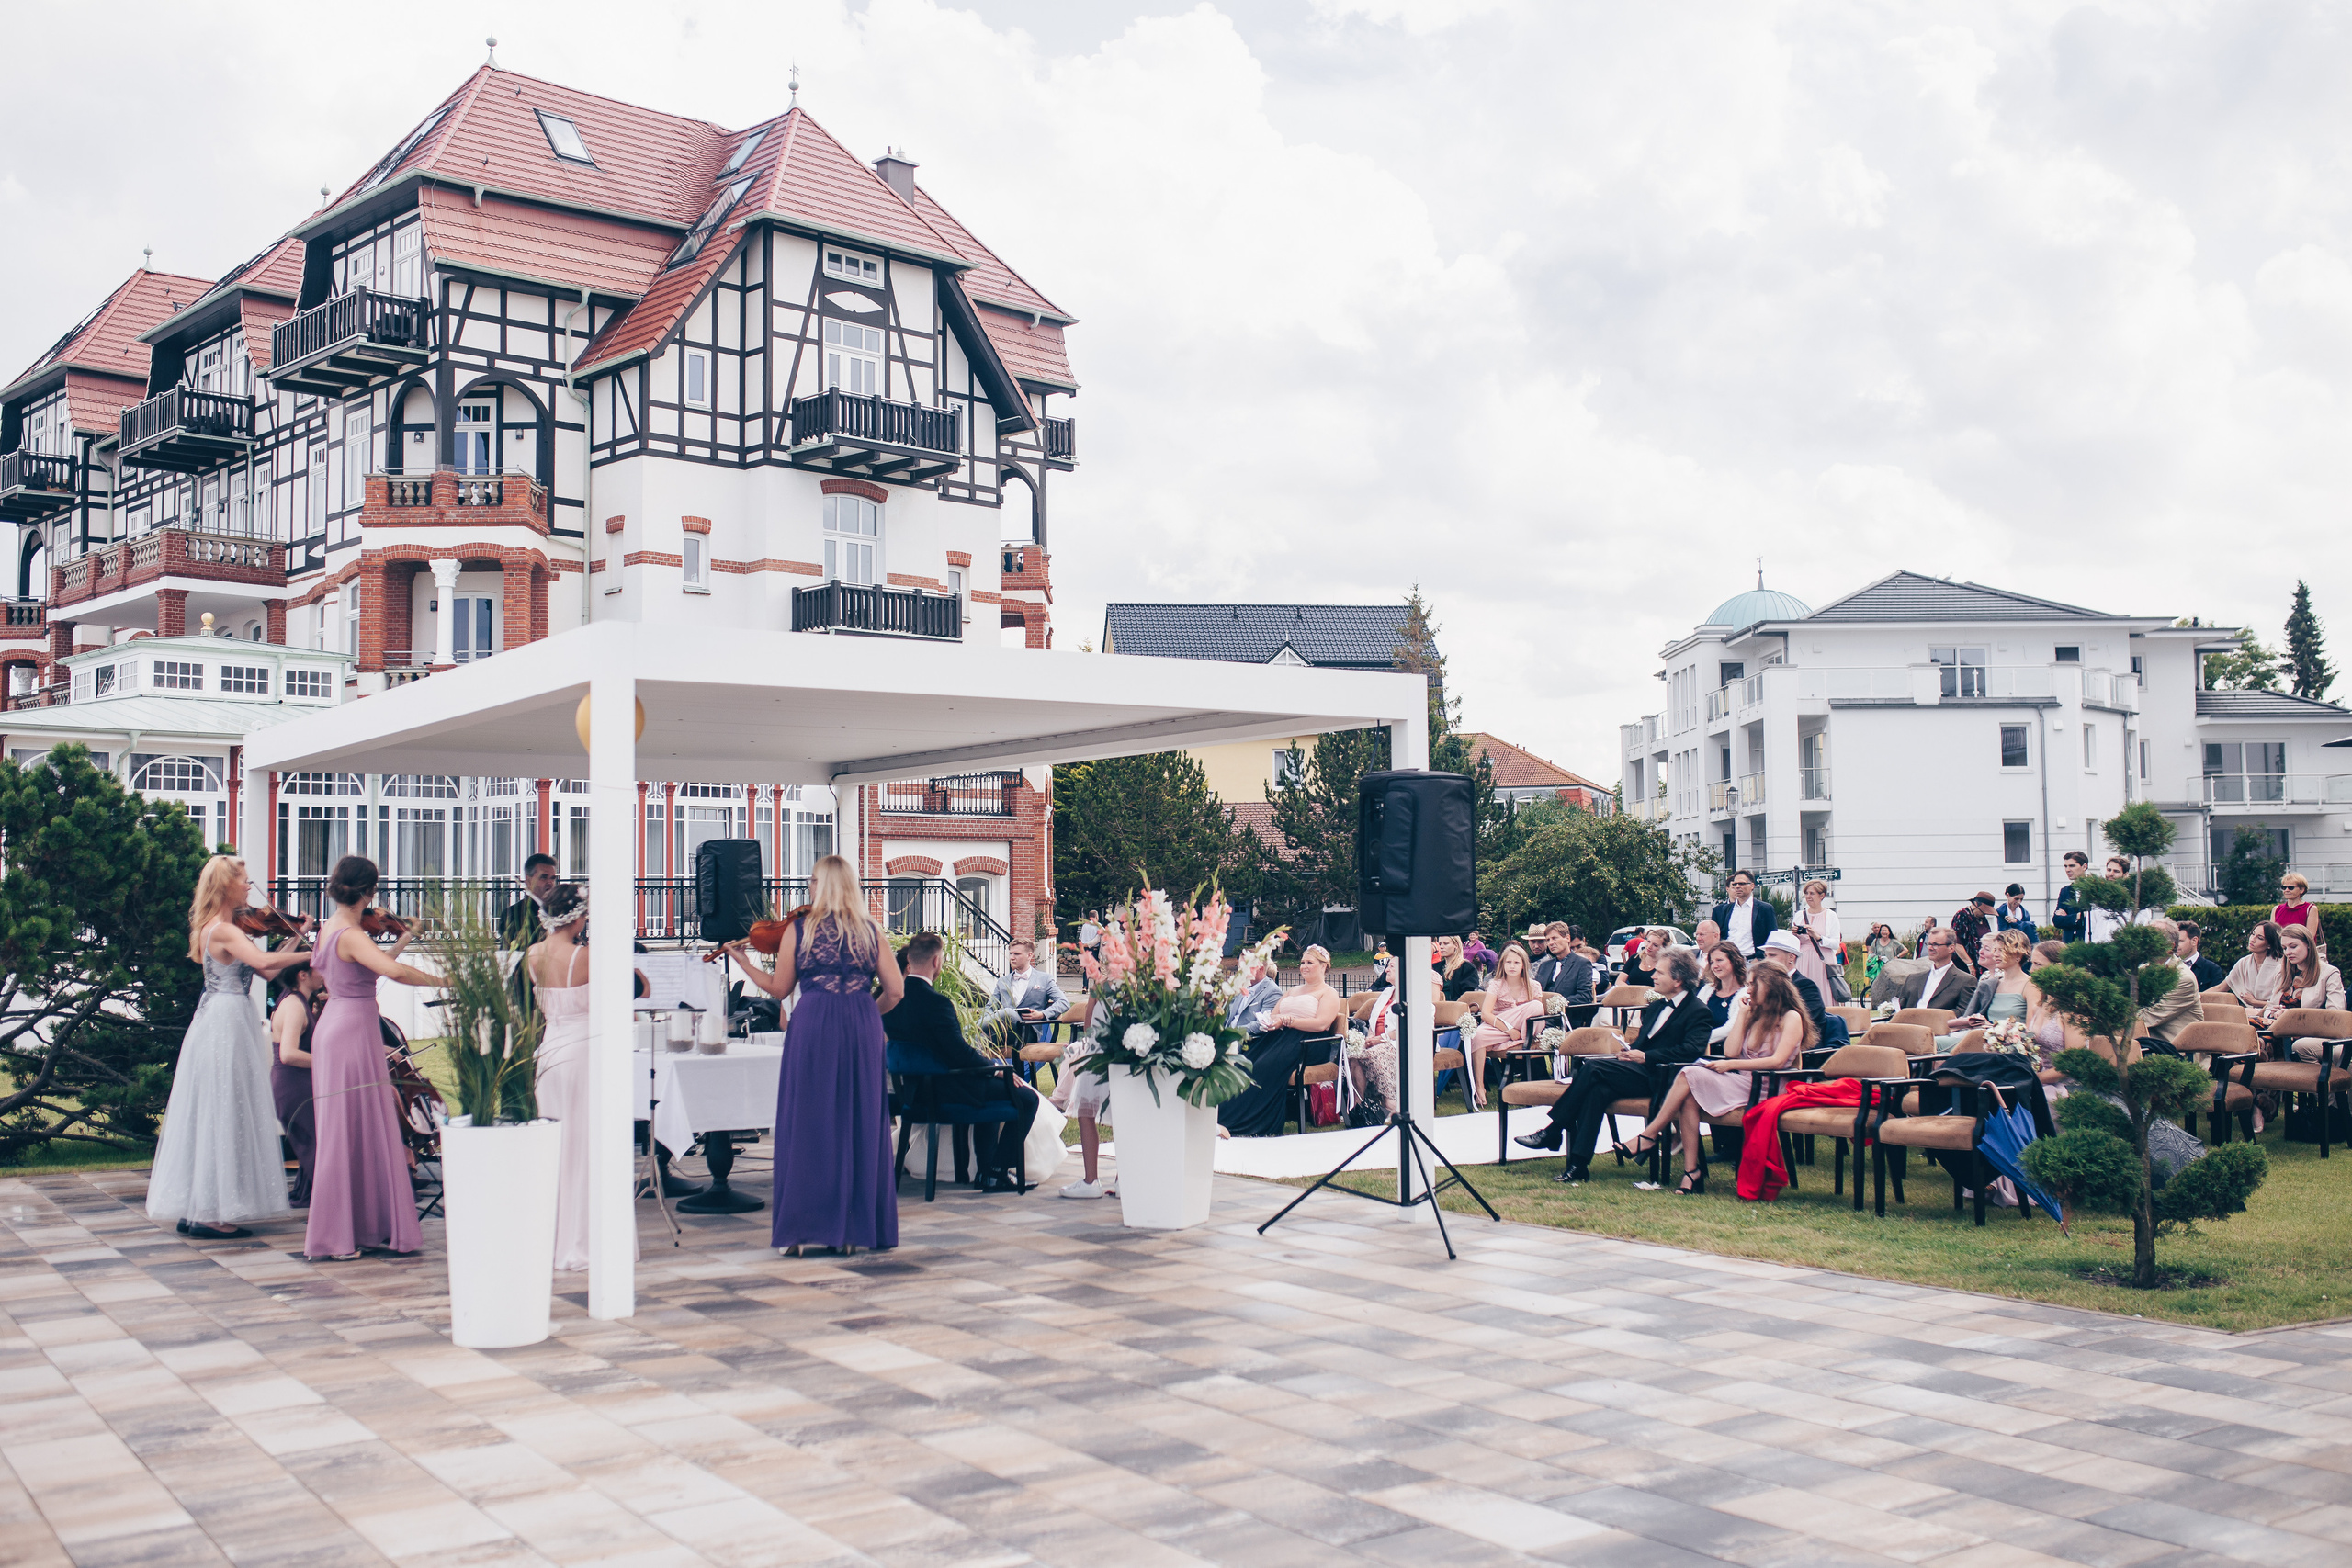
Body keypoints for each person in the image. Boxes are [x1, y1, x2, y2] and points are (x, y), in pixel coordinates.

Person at [726, 853, 906, 1254]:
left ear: (822, 885)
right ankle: (852, 1231)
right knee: (858, 1120)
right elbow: (896, 991)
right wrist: (866, 1014)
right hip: (860, 1024)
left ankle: (802, 1231)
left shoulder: (800, 929)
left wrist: (742, 963)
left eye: (812, 881)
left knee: (809, 1120)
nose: (808, 887)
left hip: (813, 1025)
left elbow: (778, 989)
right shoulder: (872, 930)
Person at [148, 855, 312, 1240]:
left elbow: (268, 971)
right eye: (243, 881)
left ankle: (200, 1208)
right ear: (225, 885)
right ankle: (210, 1213)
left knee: (218, 1110)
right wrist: (313, 953)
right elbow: (262, 958)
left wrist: (297, 937)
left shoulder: (223, 928)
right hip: (226, 1020)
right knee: (223, 1109)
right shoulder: (223, 930)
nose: (248, 886)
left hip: (227, 1016)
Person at [304, 856, 438, 1262]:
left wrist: (405, 939)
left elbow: (371, 971)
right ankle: (338, 1235)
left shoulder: (333, 927)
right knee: (348, 1129)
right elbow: (392, 973)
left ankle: (360, 1227)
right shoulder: (350, 932)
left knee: (356, 1128)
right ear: (368, 891)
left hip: (342, 1026)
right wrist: (445, 980)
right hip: (350, 1031)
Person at [1512, 945, 1712, 1182]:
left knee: (1593, 1067)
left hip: (1667, 1079)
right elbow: (1643, 1042)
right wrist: (1630, 1052)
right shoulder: (1658, 1006)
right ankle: (1578, 1165)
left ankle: (1553, 1130)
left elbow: (1691, 1051)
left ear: (1677, 980)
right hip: (1640, 1072)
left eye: (1659, 972)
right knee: (1597, 1090)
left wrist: (1646, 1057)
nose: (1653, 976)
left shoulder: (1698, 1011)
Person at [1622, 965, 1812, 1195]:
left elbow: (1778, 1062)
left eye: (1753, 984)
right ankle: (1691, 1171)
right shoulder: (1753, 1013)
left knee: (1689, 1073)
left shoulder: (1791, 1017)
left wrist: (1731, 1065)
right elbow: (1731, 1051)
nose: (1748, 990)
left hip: (1768, 1086)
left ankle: (1649, 1135)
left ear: (1770, 986)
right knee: (1689, 1097)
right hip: (1742, 1081)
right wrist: (1742, 1016)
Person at [527, 885, 636, 1272]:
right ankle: (584, 1239)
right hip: (583, 1053)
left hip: (549, 1054)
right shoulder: (585, 958)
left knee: (558, 1146)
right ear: (576, 917)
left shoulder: (531, 955)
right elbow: (620, 1000)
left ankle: (554, 1236)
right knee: (587, 1145)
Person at [886, 931, 1040, 1191]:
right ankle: (996, 1170)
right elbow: (959, 1053)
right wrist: (994, 1068)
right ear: (936, 962)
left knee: (993, 1088)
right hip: (944, 1089)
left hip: (911, 1092)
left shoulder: (890, 1000)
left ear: (909, 961)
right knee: (1026, 1097)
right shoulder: (937, 1003)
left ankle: (987, 1170)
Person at [1217, 945, 1347, 1136]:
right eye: (1302, 962)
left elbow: (1321, 1024)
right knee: (1243, 1060)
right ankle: (1223, 1117)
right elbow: (1274, 1015)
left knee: (1263, 1066)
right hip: (1280, 1037)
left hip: (1308, 1042)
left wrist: (1290, 1021)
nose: (1304, 966)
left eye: (1310, 962)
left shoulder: (1328, 993)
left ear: (1323, 967)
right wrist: (1271, 1023)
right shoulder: (1292, 990)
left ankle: (1249, 1123)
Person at [268, 965, 328, 1210]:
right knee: (318, 1145)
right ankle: (331, 1205)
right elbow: (289, 1054)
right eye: (319, 970)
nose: (324, 973)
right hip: (293, 1086)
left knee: (318, 1142)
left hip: (300, 1083)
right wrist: (330, 1063)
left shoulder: (300, 1001)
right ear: (302, 975)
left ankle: (310, 1196)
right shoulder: (293, 1006)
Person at [1464, 942, 1546, 1111]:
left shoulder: (1533, 985)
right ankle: (1479, 1087)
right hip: (1501, 1025)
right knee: (1478, 1035)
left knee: (1536, 1007)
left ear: (1523, 965)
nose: (1512, 966)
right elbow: (1486, 1014)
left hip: (1526, 1028)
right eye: (1508, 962)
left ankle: (1515, 1040)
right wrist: (1509, 1029)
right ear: (1502, 964)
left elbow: (1537, 1016)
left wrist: (1518, 1028)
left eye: (1516, 962)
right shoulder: (1496, 984)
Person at [2261, 926, 2346, 1041]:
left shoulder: (2329, 973)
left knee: (2255, 1042)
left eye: (2293, 947)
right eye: (2284, 948)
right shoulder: (2281, 971)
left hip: (2307, 1032)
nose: (2288, 952)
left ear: (2309, 945)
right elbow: (2270, 1006)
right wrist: (2272, 1014)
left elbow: (2335, 1015)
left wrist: (2292, 1016)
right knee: (2247, 1030)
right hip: (2276, 1028)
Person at [2134, 917, 2205, 1049]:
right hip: (2144, 1045)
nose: (2145, 944)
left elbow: (2149, 1016)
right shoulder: (2142, 971)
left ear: (2169, 947)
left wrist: (2115, 1019)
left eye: (2152, 939)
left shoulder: (2184, 979)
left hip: (2176, 1052)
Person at [984, 940, 1069, 1046]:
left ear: (1029, 956)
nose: (1012, 957)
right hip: (1004, 1033)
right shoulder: (1003, 981)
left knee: (1009, 1012)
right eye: (1011, 953)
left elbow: (1063, 1002)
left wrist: (1042, 1014)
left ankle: (971, 1029)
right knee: (977, 1040)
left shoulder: (1044, 979)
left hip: (1028, 1032)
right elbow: (989, 1008)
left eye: (1017, 954)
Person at [1534, 922, 1597, 1026]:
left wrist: (1556, 1003)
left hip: (1567, 1018)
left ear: (1567, 938)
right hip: (1540, 1017)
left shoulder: (1582, 964)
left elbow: (1585, 997)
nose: (1550, 943)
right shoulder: (1545, 966)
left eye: (1554, 938)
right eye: (1548, 940)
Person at [1897, 927, 1973, 1012]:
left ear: (1951, 948)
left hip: (1940, 1024)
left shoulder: (1965, 981)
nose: (1930, 948)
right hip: (1908, 1023)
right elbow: (1901, 1007)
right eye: (1929, 944)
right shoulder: (1913, 978)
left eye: (1936, 944)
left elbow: (1964, 1012)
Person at [1790, 879, 1842, 997]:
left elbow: (1836, 943)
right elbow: (1793, 944)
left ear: (1822, 895)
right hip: (1803, 959)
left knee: (1823, 992)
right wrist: (1794, 935)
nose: (1808, 897)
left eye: (1812, 893)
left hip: (1822, 959)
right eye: (1806, 893)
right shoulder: (1799, 915)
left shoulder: (1830, 916)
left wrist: (1818, 937)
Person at [1711, 870, 1775, 958]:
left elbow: (1772, 936)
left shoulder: (1764, 909)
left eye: (1741, 883)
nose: (1737, 887)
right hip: (1730, 960)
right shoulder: (1727, 909)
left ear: (1752, 886)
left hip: (1752, 960)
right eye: (1735, 884)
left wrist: (1759, 958)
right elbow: (1722, 935)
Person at [1697, 942, 1749, 1043]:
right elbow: (1692, 1018)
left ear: (1734, 961)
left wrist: (1697, 1039)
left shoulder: (1745, 994)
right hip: (1698, 1048)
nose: (1715, 966)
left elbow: (1729, 1029)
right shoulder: (1706, 990)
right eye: (1712, 962)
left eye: (1719, 960)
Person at [2225, 921, 2287, 1008]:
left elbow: (2283, 1005)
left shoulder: (2281, 966)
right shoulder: (2243, 962)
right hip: (2250, 1013)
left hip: (2274, 1015)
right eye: (2252, 934)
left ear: (2269, 945)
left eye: (2260, 938)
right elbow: (2221, 987)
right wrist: (2200, 997)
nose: (2252, 939)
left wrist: (2255, 1002)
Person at [1226, 955, 1283, 1036]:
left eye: (1245, 967)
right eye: (1239, 967)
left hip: (1246, 1041)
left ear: (1261, 969)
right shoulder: (1240, 986)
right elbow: (1227, 1015)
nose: (1240, 972)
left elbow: (1263, 1024)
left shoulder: (1273, 992)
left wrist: (1233, 1033)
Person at [2275, 873, 2324, 954]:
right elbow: (2273, 935)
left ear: (2302, 890)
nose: (2286, 890)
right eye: (2284, 887)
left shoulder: (2310, 909)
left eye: (2291, 887)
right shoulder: (2276, 909)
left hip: (2302, 955)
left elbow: (2309, 937)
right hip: (2280, 954)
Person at [2175, 921, 2226, 993]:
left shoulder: (2212, 970)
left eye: (2180, 941)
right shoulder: (2168, 967)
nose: (2175, 945)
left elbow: (2216, 999)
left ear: (2194, 941)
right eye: (2174, 941)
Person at [2052, 850, 2090, 942]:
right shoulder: (2065, 891)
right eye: (2066, 866)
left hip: (2088, 943)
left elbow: (2094, 917)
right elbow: (2057, 921)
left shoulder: (2094, 889)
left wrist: (2067, 918)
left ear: (2084, 866)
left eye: (2072, 866)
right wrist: (2078, 916)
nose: (2068, 870)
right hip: (2068, 944)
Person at [1951, 893, 1996, 964]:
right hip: (1964, 964)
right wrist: (1970, 964)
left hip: (1981, 962)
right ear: (1976, 905)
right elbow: (1957, 944)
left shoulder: (1982, 918)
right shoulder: (1962, 915)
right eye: (1983, 911)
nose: (1985, 914)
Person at [1436, 934, 1481, 1001]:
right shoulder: (1436, 966)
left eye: (1446, 943)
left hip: (1455, 1007)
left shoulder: (1467, 968)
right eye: (1439, 944)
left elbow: (1469, 994)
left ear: (1456, 945)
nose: (1441, 947)